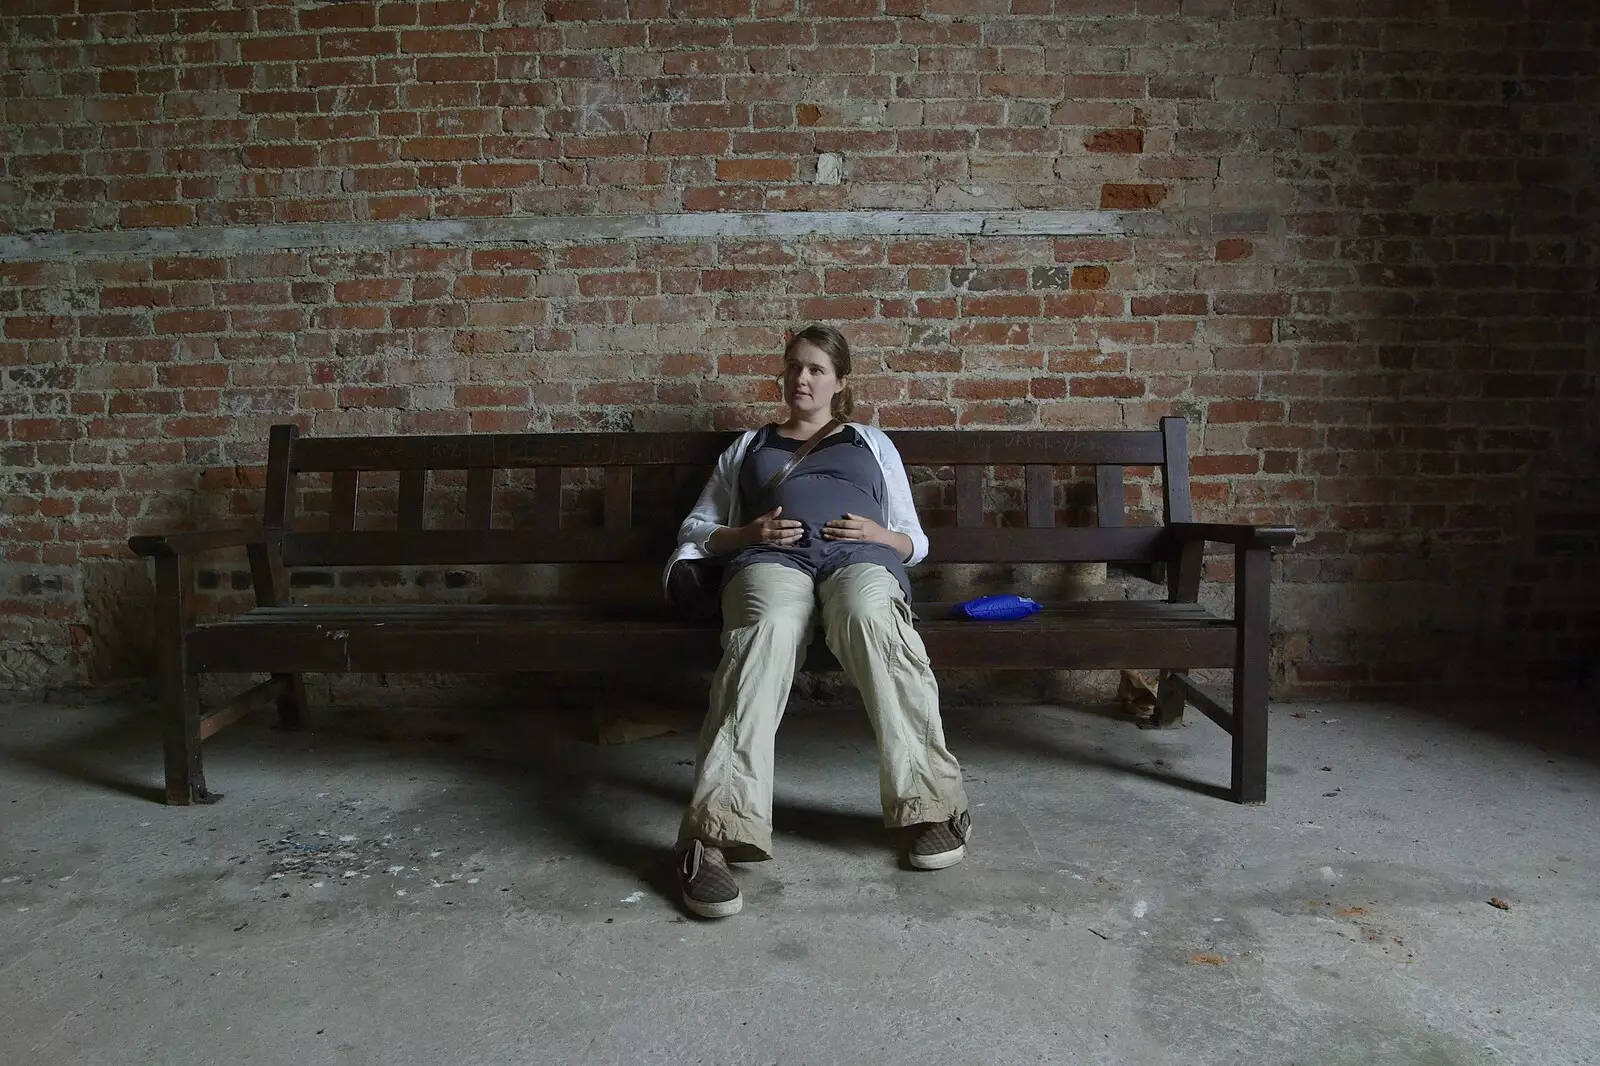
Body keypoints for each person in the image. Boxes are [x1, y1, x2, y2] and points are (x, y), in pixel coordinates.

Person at [663, 324, 971, 918]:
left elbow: (917, 540)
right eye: (793, 367)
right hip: (770, 560)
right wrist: (747, 532)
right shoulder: (747, 447)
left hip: (858, 560)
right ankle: (715, 831)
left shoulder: (873, 443)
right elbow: (696, 530)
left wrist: (883, 535)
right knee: (767, 632)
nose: (801, 379)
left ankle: (931, 806)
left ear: (840, 382)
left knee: (873, 621)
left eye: (816, 370)